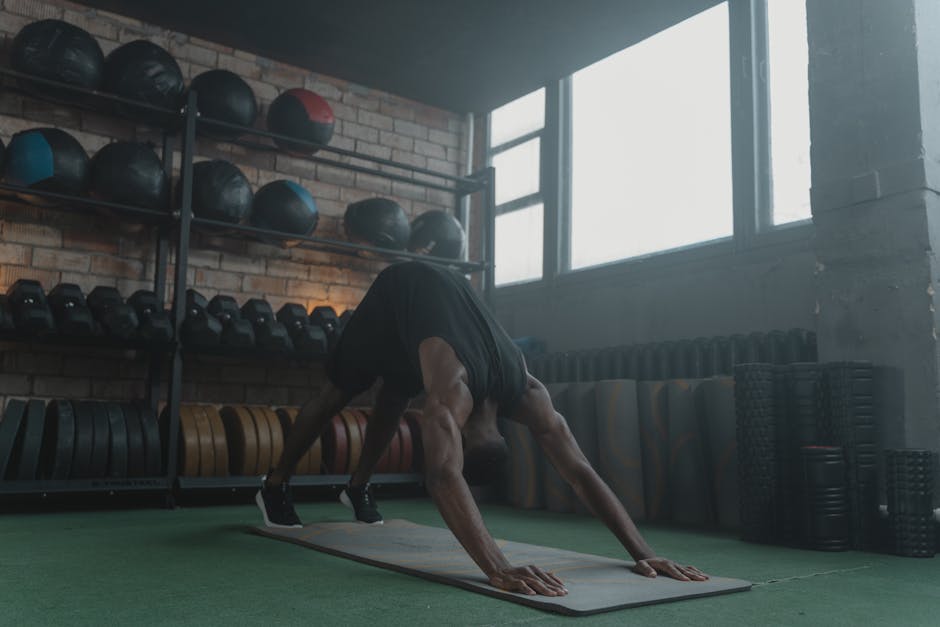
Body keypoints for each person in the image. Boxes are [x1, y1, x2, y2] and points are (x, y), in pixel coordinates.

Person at [257, 261, 708, 596]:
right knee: (339, 392)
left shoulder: (528, 392)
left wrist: (642, 551)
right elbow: (442, 476)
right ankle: (275, 485)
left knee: (396, 391)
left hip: (437, 302)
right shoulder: (455, 394)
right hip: (398, 290)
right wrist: (497, 566)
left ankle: (357, 489)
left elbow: (581, 472)